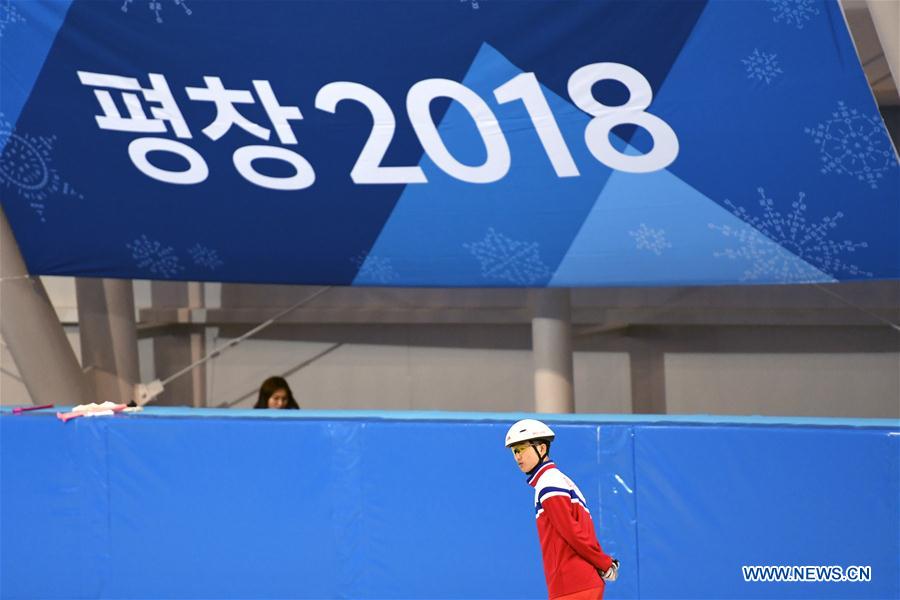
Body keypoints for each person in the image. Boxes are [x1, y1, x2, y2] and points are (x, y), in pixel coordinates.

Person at [506, 419, 618, 600]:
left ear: (541, 449)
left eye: (521, 449)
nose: (517, 457)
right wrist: (601, 563)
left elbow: (571, 532)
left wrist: (603, 563)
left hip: (572, 585)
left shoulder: (548, 482)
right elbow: (581, 531)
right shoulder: (558, 480)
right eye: (514, 451)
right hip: (578, 583)